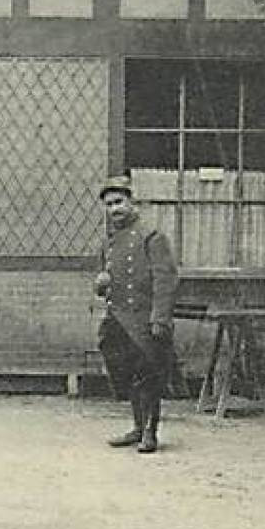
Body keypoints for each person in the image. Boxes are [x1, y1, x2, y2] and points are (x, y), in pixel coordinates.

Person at [95, 175, 178, 454]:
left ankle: (150, 433)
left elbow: (165, 280)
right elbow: (106, 280)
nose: (114, 209)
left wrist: (160, 319)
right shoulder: (109, 242)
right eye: (108, 205)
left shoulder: (151, 235)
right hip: (119, 317)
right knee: (127, 372)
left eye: (119, 202)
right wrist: (100, 285)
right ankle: (136, 426)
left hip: (144, 318)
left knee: (148, 375)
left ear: (131, 202)